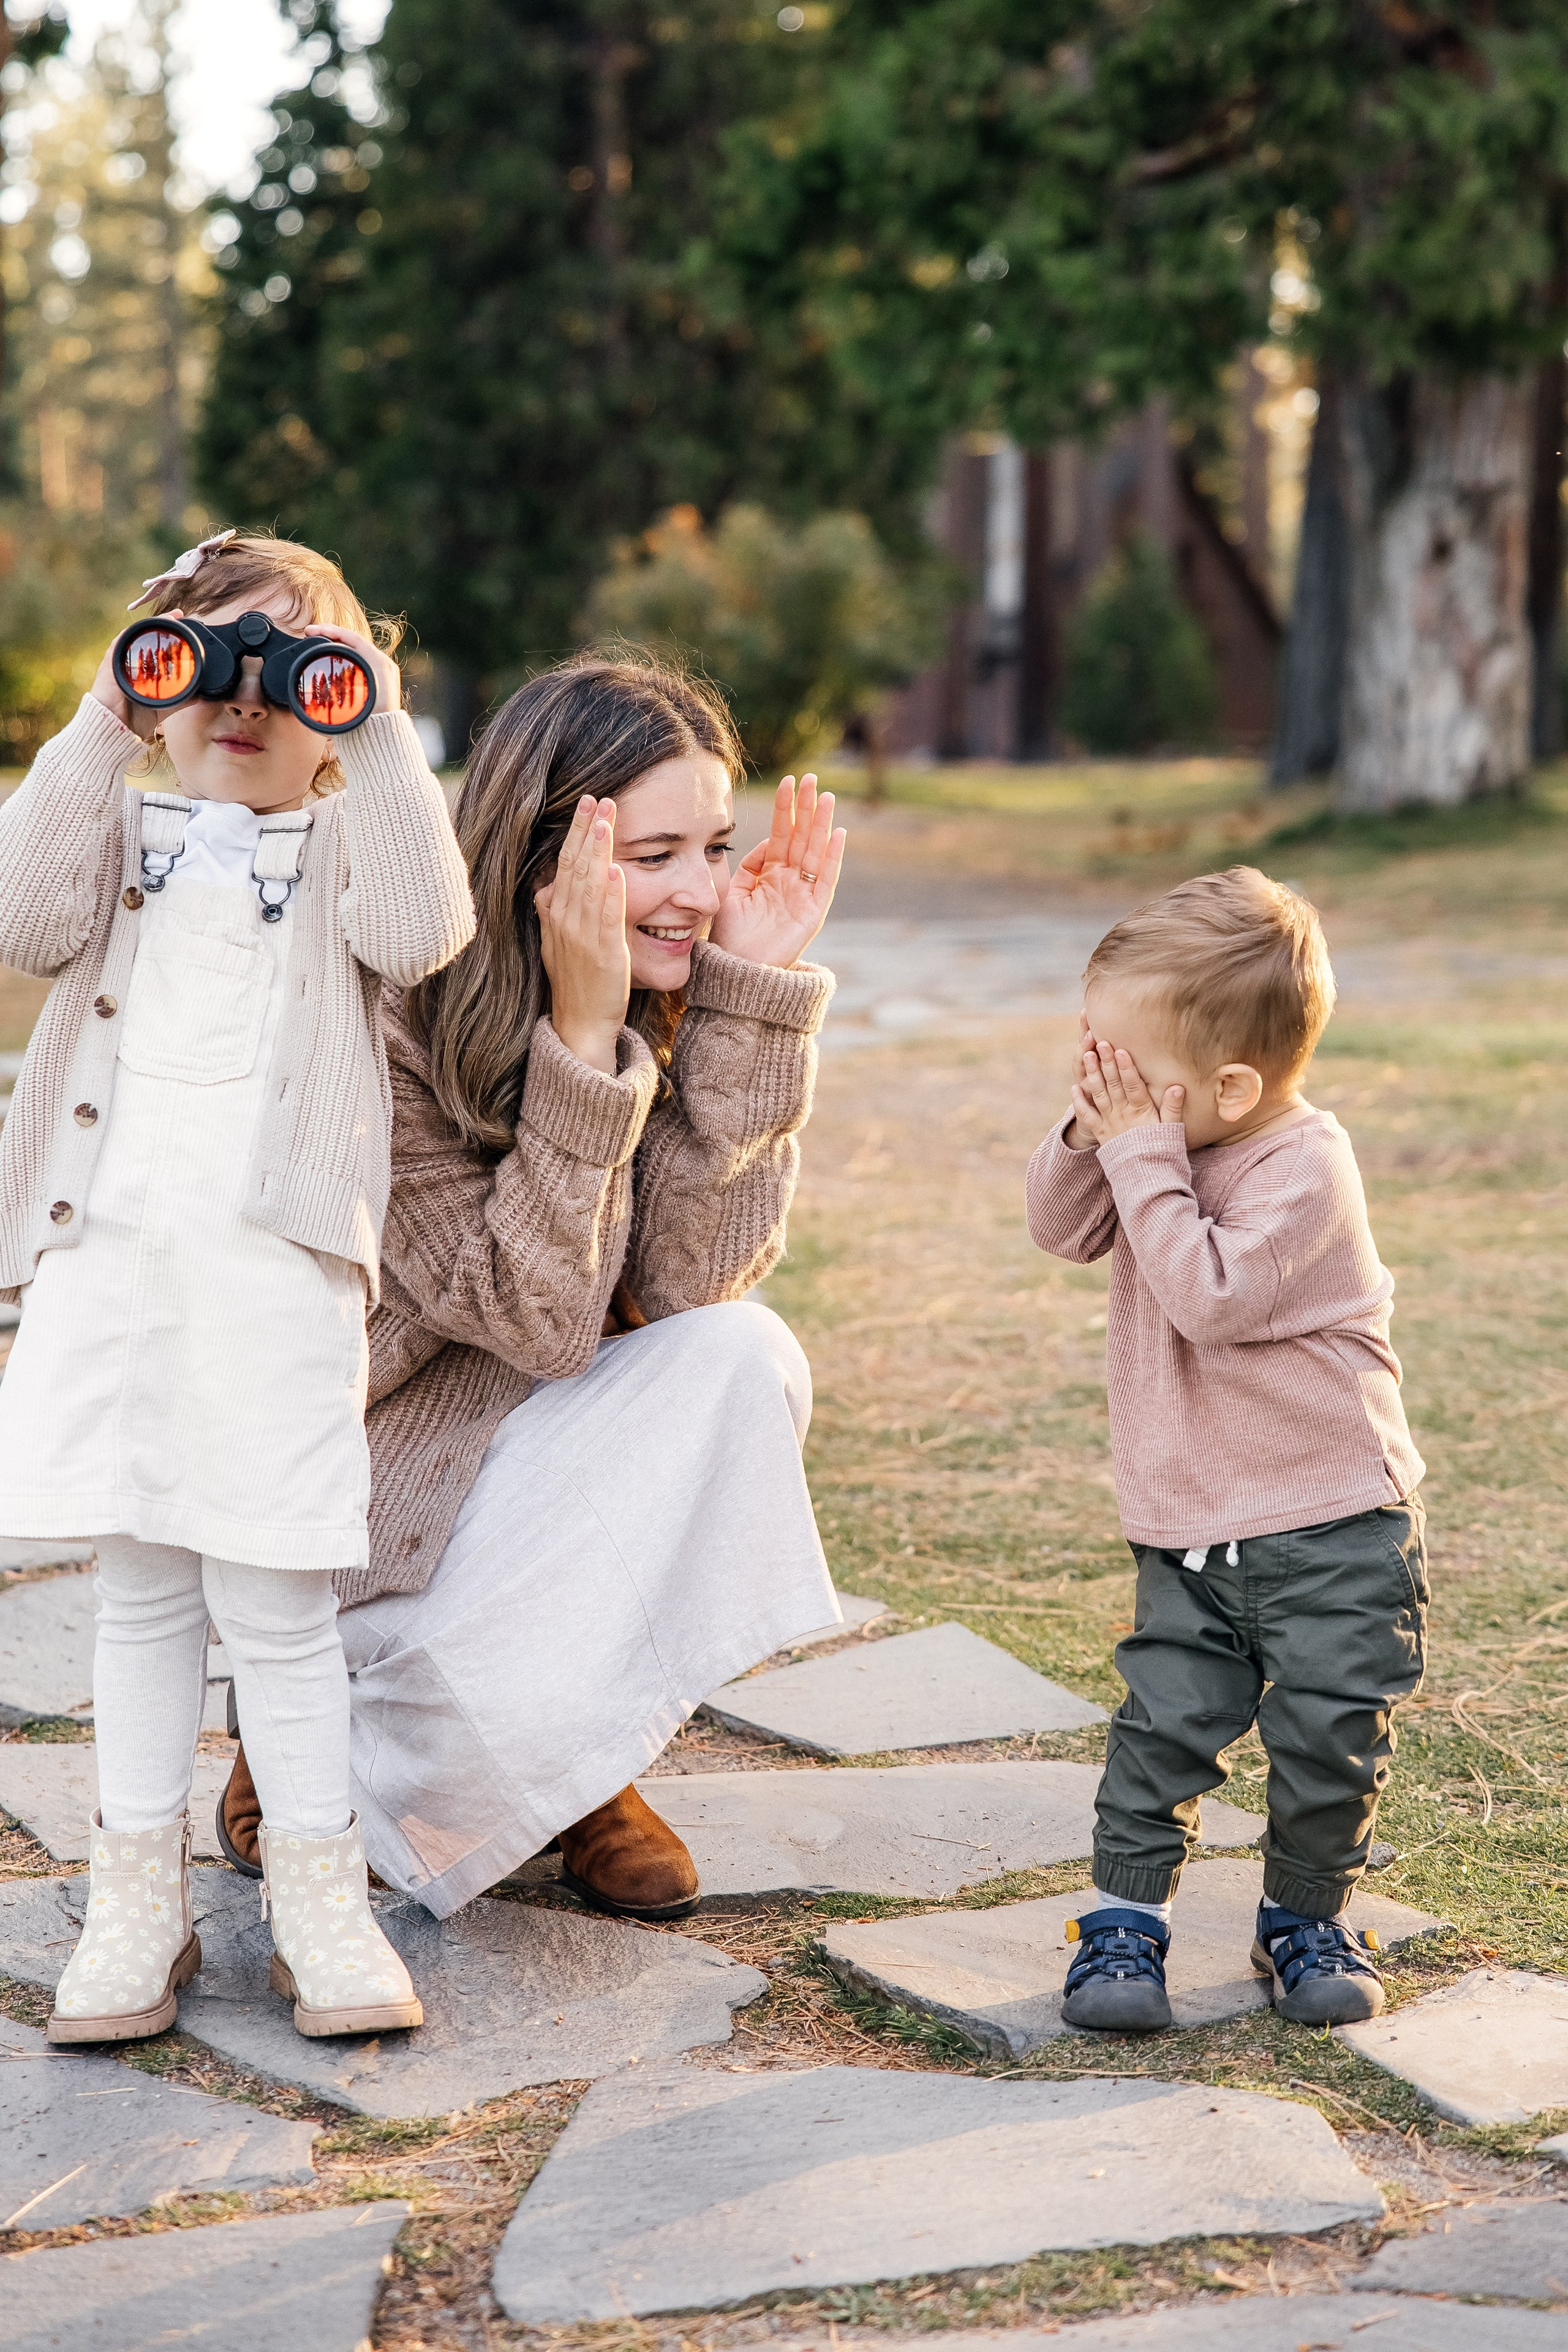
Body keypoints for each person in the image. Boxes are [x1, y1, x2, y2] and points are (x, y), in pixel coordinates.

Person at [215, 654, 847, 1921]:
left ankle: (586, 1771)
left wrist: (751, 1002)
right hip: (379, 1513)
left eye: (711, 848)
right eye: (654, 853)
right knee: (423, 1758)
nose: (697, 892)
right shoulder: (387, 1019)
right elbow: (536, 1316)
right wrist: (574, 1036)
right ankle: (297, 1732)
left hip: (529, 1474)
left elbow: (688, 1290)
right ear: (540, 854)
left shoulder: (675, 996)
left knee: (744, 1354)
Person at [0, 532, 476, 2043]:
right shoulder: (122, 830)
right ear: (158, 682)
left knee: (275, 1597)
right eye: (203, 665)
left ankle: (316, 1901)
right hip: (112, 1257)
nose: (242, 700)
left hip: (272, 1275)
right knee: (137, 1585)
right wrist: (98, 718)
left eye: (291, 672)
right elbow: (24, 925)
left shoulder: (347, 851)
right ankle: (132, 1895)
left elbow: (424, 931)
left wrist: (380, 729)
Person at [1026, 867, 1427, 2032]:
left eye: (1126, 1070)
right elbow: (1062, 1228)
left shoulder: (1306, 1167)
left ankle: (1305, 1914)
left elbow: (1206, 1294)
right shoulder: (1157, 1139)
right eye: (1089, 1054)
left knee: (1329, 1737)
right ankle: (1123, 1926)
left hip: (1333, 1526)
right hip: (1193, 1528)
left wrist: (1142, 1154)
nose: (1107, 1089)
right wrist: (1092, 1131)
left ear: (1234, 1087)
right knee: (1161, 1727)